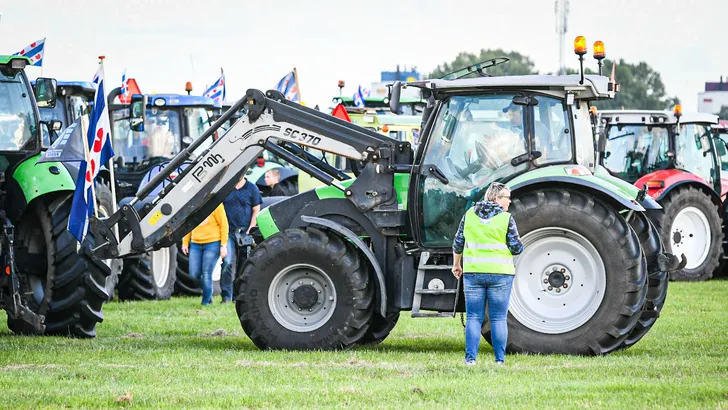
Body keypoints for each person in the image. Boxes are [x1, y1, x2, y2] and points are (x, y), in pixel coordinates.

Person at [451, 182, 524, 366]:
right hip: (500, 274)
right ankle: (499, 361)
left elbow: (458, 243)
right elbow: (516, 248)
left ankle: (471, 360)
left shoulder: (469, 215)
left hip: (474, 273)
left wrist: (456, 265)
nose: (509, 201)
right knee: (498, 317)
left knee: (473, 317)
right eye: (507, 197)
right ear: (497, 199)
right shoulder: (506, 218)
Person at [220, 176, 262, 303]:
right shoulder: (227, 188)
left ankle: (237, 295)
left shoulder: (252, 188)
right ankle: (226, 296)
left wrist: (250, 229)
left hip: (245, 232)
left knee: (243, 264)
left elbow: (256, 210)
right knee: (227, 262)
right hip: (228, 232)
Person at [182, 204, 229, 306]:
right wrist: (185, 242)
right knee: (194, 273)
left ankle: (205, 302)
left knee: (206, 273)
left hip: (213, 243)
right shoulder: (193, 204)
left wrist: (223, 245)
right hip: (195, 243)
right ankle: (208, 294)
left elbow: (224, 224)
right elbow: (188, 224)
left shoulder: (216, 205)